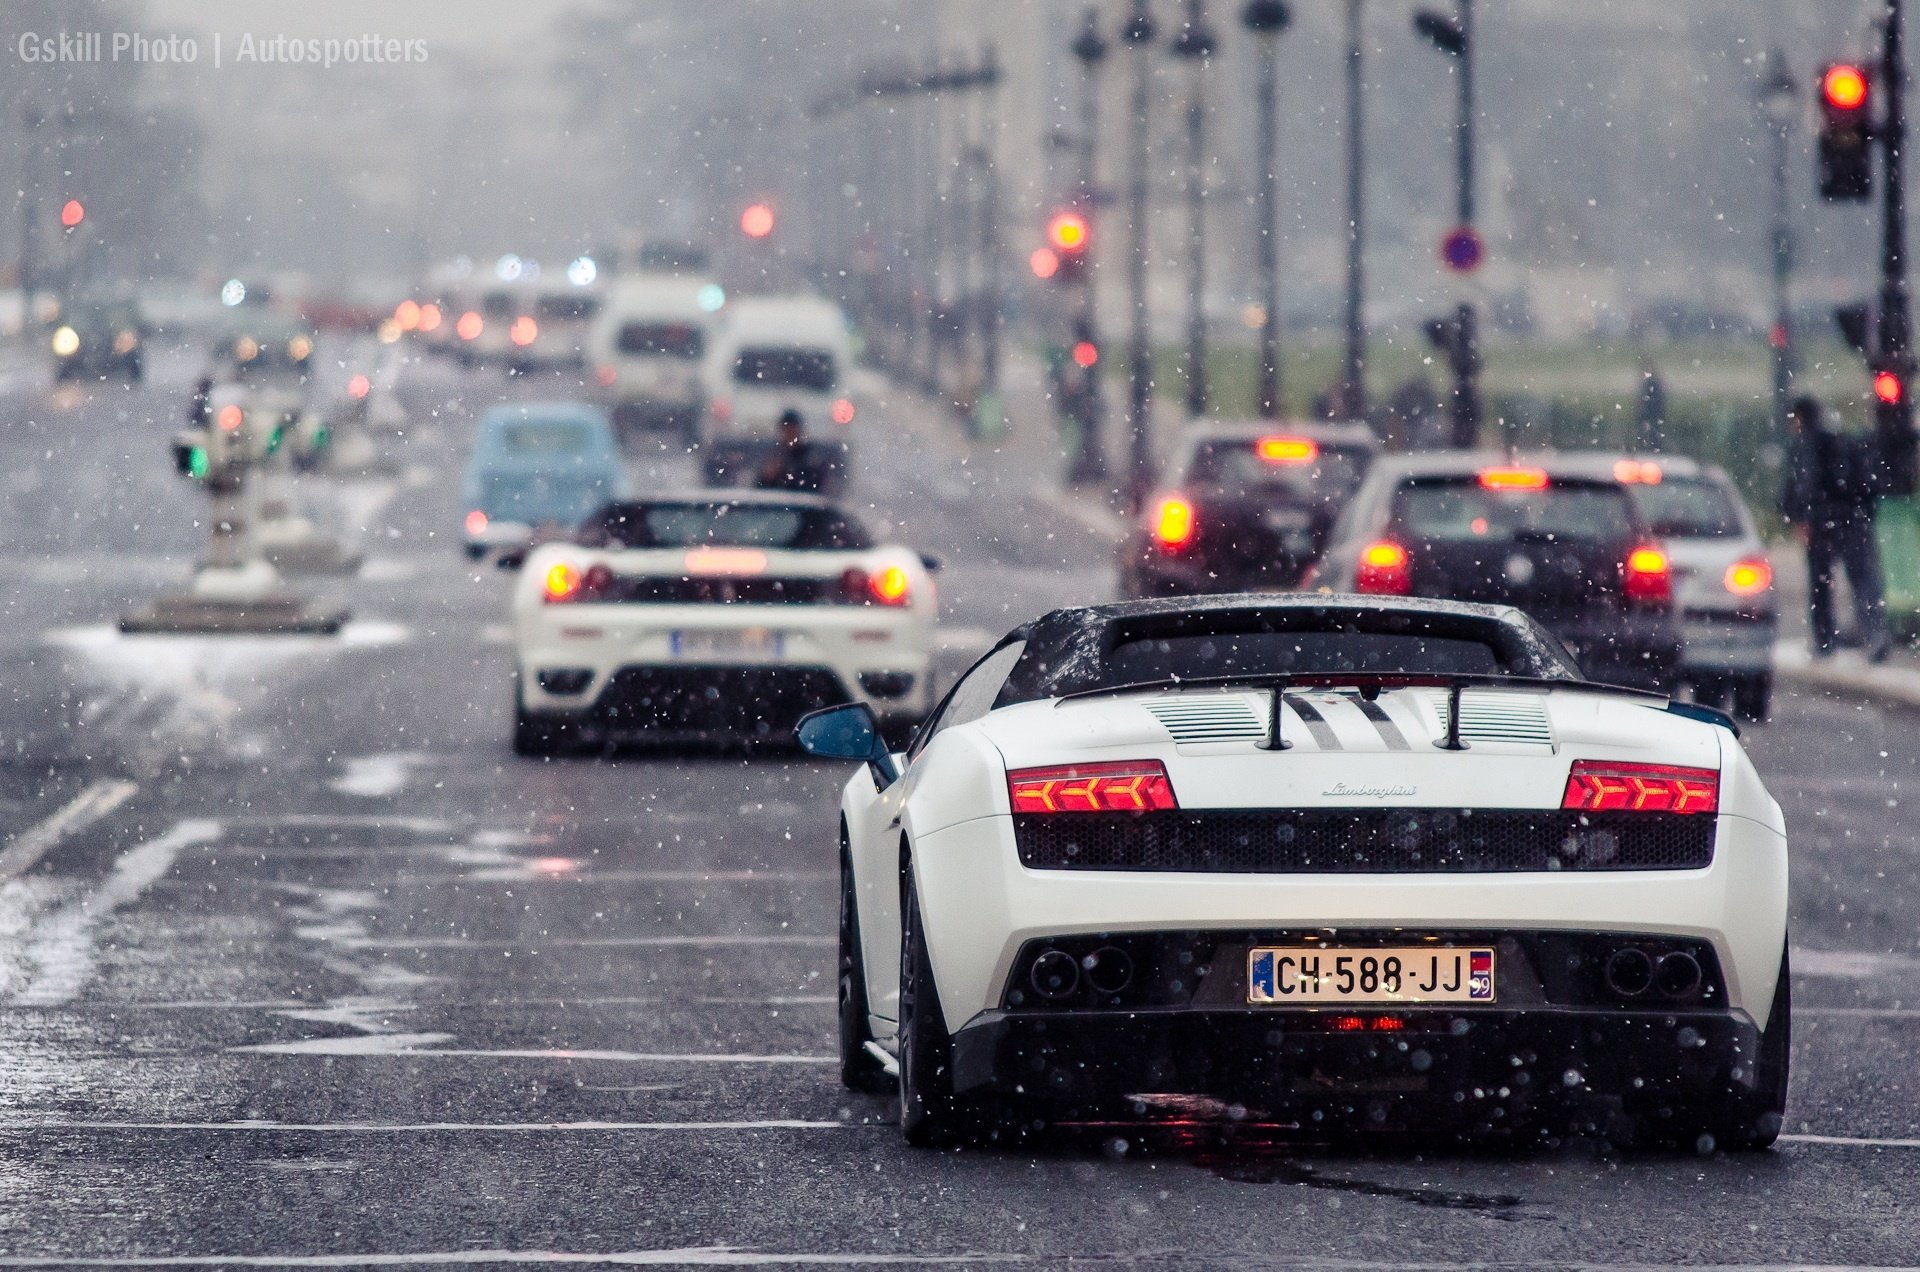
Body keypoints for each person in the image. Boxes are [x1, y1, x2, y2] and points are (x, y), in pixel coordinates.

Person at [1781, 395, 1890, 662]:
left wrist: (1801, 516)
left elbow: (1805, 481)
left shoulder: (1808, 443)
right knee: (1863, 579)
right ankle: (1875, 635)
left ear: (1800, 418)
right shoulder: (1843, 438)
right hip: (1854, 517)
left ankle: (1825, 641)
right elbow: (1868, 484)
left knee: (1821, 584)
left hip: (1823, 521)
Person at [753, 409, 828, 493]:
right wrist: (767, 477)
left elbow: (814, 485)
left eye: (793, 428)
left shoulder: (810, 458)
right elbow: (760, 489)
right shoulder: (774, 456)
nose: (790, 433)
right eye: (786, 429)